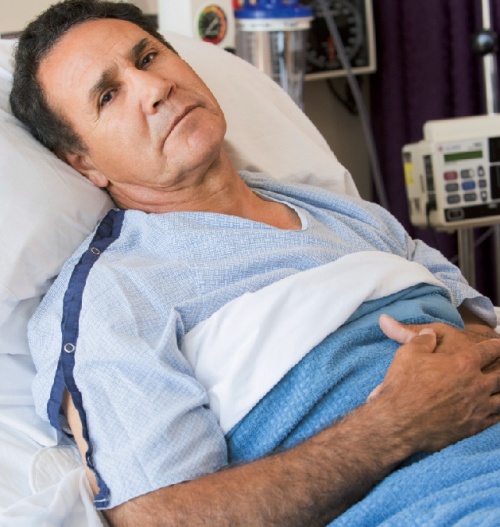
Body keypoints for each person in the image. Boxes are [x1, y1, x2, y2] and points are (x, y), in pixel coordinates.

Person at [9, 1, 500, 526]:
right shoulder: (115, 295)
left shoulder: (345, 213)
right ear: (84, 163)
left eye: (148, 58)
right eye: (108, 95)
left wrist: (464, 359)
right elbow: (160, 516)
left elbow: (474, 321)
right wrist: (394, 425)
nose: (154, 88)